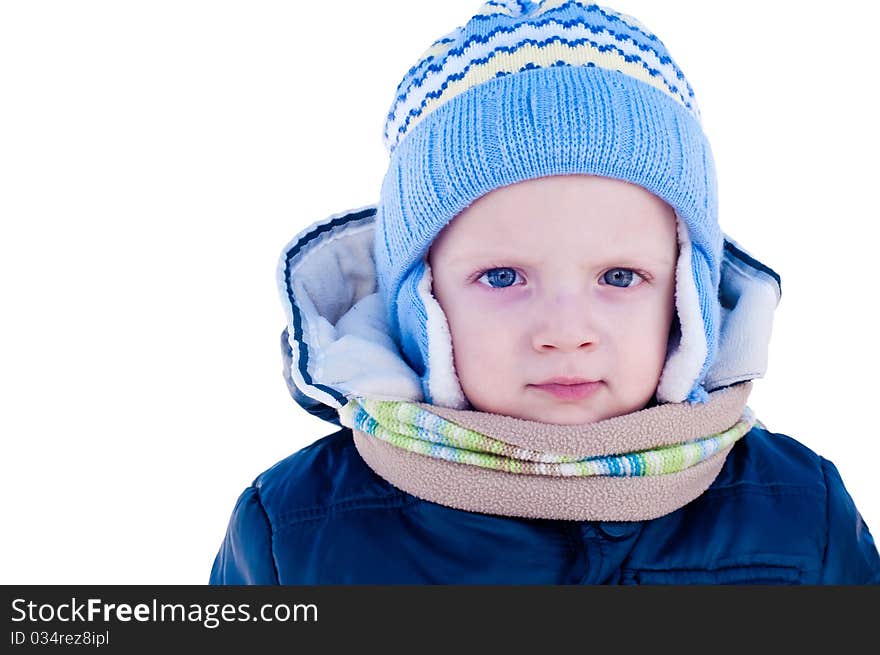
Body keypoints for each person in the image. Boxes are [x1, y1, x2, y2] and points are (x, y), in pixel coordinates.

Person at [209, 0, 880, 584]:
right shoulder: (294, 536)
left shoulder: (800, 517)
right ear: (422, 304)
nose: (565, 330)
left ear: (685, 299)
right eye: (502, 277)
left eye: (620, 277)